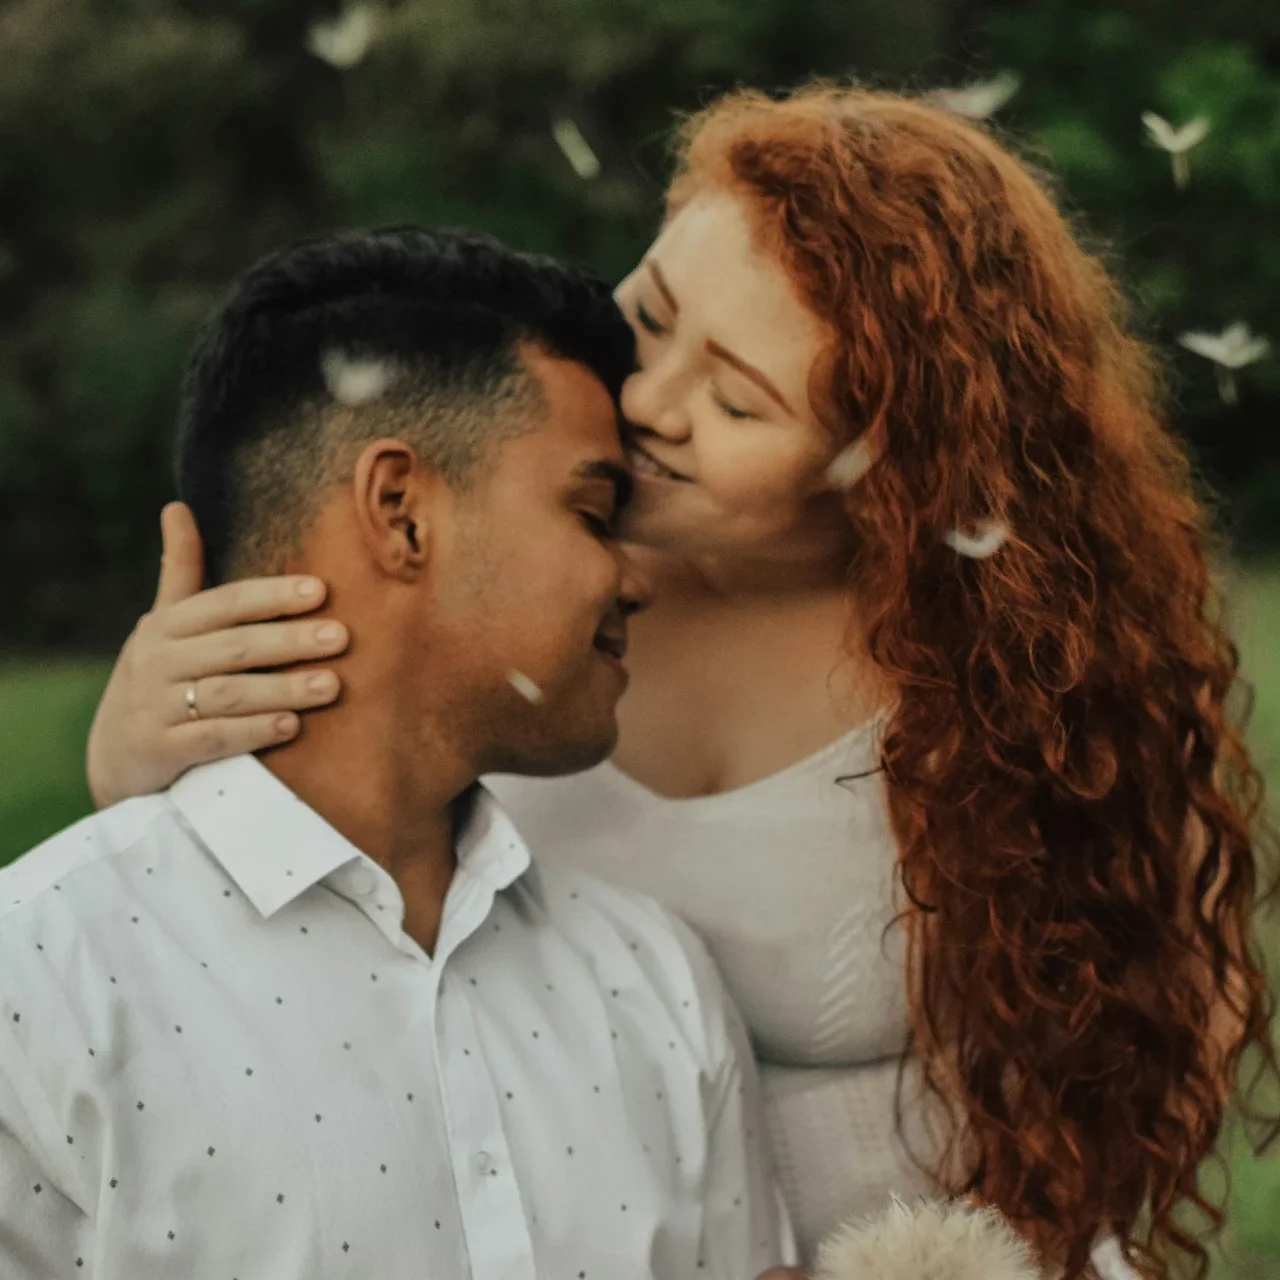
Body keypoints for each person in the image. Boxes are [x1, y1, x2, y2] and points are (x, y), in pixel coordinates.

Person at [85, 84, 1279, 1280]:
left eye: (735, 398)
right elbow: (263, 917)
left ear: (886, 468)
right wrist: (141, 766)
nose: (648, 401)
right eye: (652, 314)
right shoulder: (507, 574)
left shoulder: (1010, 666)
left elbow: (1161, 1017)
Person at [0, 227, 799, 1279]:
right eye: (592, 510)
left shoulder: (651, 977)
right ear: (400, 511)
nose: (635, 578)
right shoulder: (38, 987)